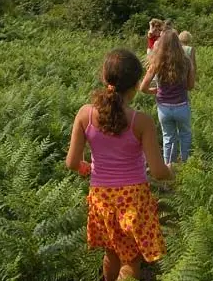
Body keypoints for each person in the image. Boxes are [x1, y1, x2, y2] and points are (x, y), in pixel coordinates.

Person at [66, 49, 173, 281]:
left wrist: (86, 169)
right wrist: (173, 172)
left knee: (111, 253)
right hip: (133, 200)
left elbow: (72, 162)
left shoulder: (85, 114)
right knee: (131, 259)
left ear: (105, 78)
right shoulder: (141, 121)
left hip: (101, 198)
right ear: (136, 84)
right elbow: (157, 171)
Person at [140, 30, 195, 165]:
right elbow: (190, 86)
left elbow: (143, 87)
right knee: (185, 135)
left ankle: (168, 167)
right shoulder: (186, 61)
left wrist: (155, 90)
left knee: (168, 138)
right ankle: (185, 166)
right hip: (182, 106)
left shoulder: (157, 62)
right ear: (178, 43)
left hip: (164, 108)